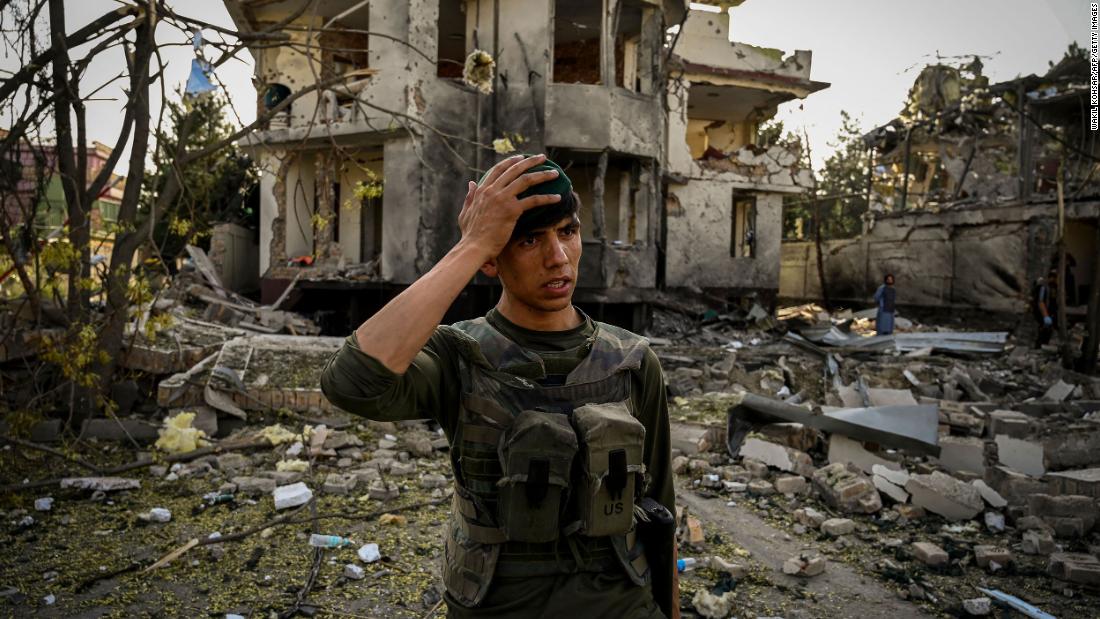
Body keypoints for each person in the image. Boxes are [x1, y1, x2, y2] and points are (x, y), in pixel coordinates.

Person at [321, 154, 678, 619]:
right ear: (492, 258)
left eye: (567, 232)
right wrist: (471, 246)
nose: (558, 257)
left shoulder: (632, 361)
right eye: (530, 239)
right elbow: (350, 382)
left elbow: (660, 509)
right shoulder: (459, 356)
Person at [1033, 269, 1057, 347]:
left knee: (1048, 334)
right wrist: (1045, 315)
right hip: (1042, 315)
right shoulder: (1043, 287)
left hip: (1050, 313)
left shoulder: (1054, 287)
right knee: (1042, 333)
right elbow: (1041, 302)